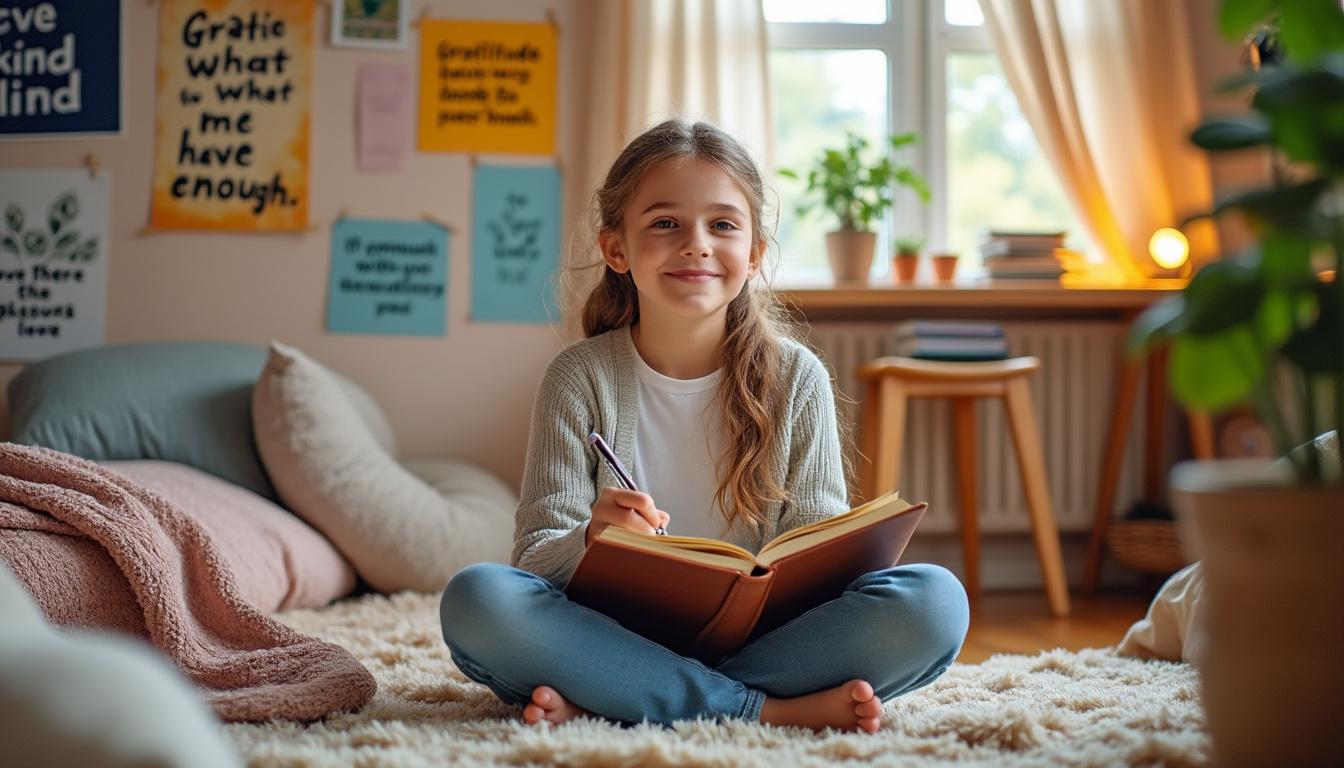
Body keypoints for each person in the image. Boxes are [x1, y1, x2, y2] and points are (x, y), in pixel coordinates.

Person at [440, 120, 969, 733]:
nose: (696, 244)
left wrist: (832, 551)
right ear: (617, 249)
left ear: (754, 255)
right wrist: (591, 538)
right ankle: (764, 710)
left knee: (935, 602)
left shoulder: (798, 378)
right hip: (611, 634)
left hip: (763, 640)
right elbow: (532, 561)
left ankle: (621, 698)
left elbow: (816, 547)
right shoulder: (576, 377)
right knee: (478, 599)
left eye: (722, 225)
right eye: (665, 224)